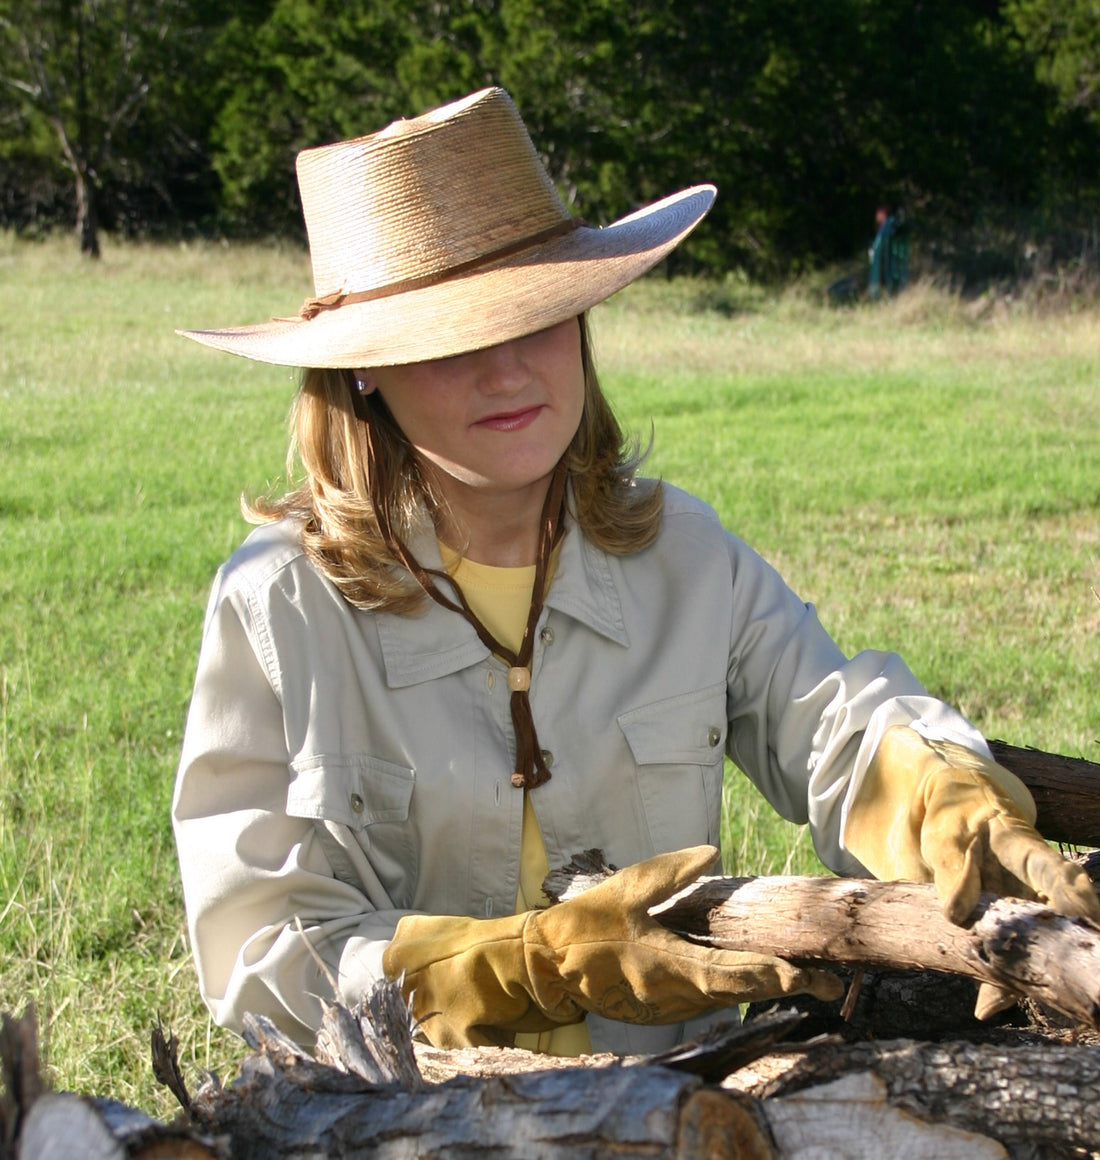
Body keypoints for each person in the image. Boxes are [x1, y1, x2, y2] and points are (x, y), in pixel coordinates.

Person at [172, 87, 1097, 1058]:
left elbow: (830, 719)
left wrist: (934, 793)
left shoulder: (681, 556)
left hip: (684, 1107)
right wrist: (529, 962)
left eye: (537, 314)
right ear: (361, 369)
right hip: (407, 1121)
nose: (508, 370)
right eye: (449, 338)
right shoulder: (278, 605)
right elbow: (264, 952)